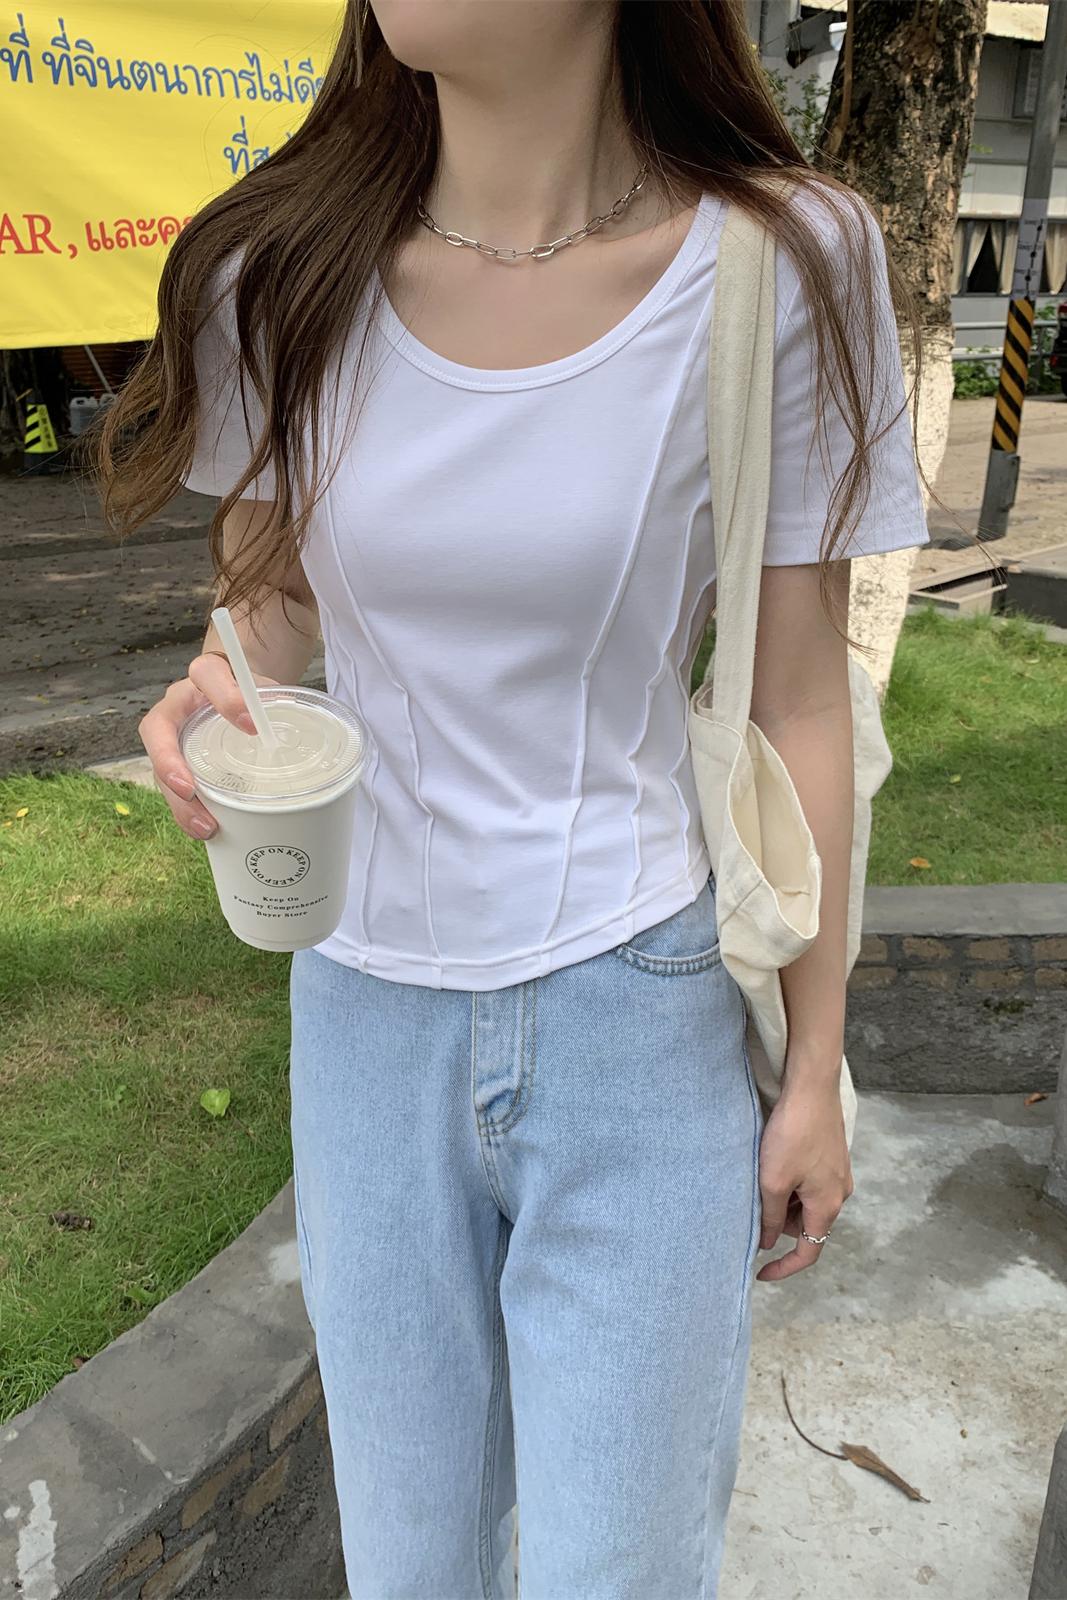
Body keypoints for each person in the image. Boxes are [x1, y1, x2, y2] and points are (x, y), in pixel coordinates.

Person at [96, 2, 931, 1594]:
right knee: (411, 1569)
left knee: (623, 1571)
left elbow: (803, 697)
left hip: (641, 1014)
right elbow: (275, 598)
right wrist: (222, 678)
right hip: (362, 1021)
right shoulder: (279, 265)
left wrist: (816, 1068)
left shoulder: (782, 262)